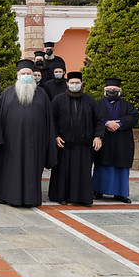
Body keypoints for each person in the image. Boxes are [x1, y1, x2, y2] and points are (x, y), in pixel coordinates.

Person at [0, 60, 57, 207]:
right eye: (23, 74)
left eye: (29, 74)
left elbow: (48, 121)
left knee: (32, 170)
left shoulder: (42, 94)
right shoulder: (7, 93)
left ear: (34, 76)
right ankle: (9, 197)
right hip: (11, 144)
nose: (26, 76)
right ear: (17, 76)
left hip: (35, 143)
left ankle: (31, 199)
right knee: (10, 170)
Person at [48, 71, 105, 206]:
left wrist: (98, 136)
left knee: (82, 173)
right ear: (67, 84)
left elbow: (99, 120)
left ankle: (81, 198)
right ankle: (61, 196)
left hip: (84, 145)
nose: (74, 85)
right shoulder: (58, 99)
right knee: (62, 172)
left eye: (77, 83)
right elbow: (52, 120)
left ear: (81, 84)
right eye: (72, 83)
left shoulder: (90, 100)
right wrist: (55, 136)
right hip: (64, 144)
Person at [93, 78, 139, 203]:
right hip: (104, 139)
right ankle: (98, 191)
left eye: (114, 90)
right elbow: (92, 117)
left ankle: (120, 193)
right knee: (102, 165)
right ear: (104, 91)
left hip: (122, 141)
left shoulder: (127, 105)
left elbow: (134, 116)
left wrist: (120, 124)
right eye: (109, 90)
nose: (111, 91)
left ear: (120, 92)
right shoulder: (97, 104)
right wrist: (106, 123)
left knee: (121, 167)